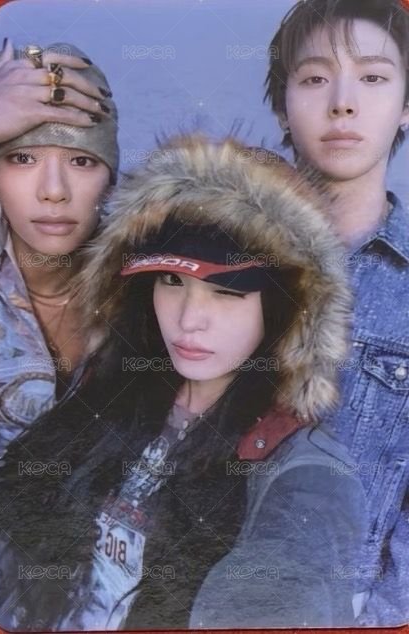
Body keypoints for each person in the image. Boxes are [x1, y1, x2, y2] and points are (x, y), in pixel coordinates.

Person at [0, 134, 366, 630]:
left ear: (284, 307)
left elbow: (278, 592)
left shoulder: (306, 474)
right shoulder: (110, 391)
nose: (189, 320)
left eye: (227, 291)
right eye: (172, 281)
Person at [264, 0, 409, 625]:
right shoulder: (215, 248)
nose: (342, 104)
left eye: (373, 77)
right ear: (282, 106)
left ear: (406, 104)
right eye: (315, 77)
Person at [0, 39, 119, 461]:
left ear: (110, 180)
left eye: (82, 161)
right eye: (23, 158)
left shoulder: (151, 281)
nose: (53, 191)